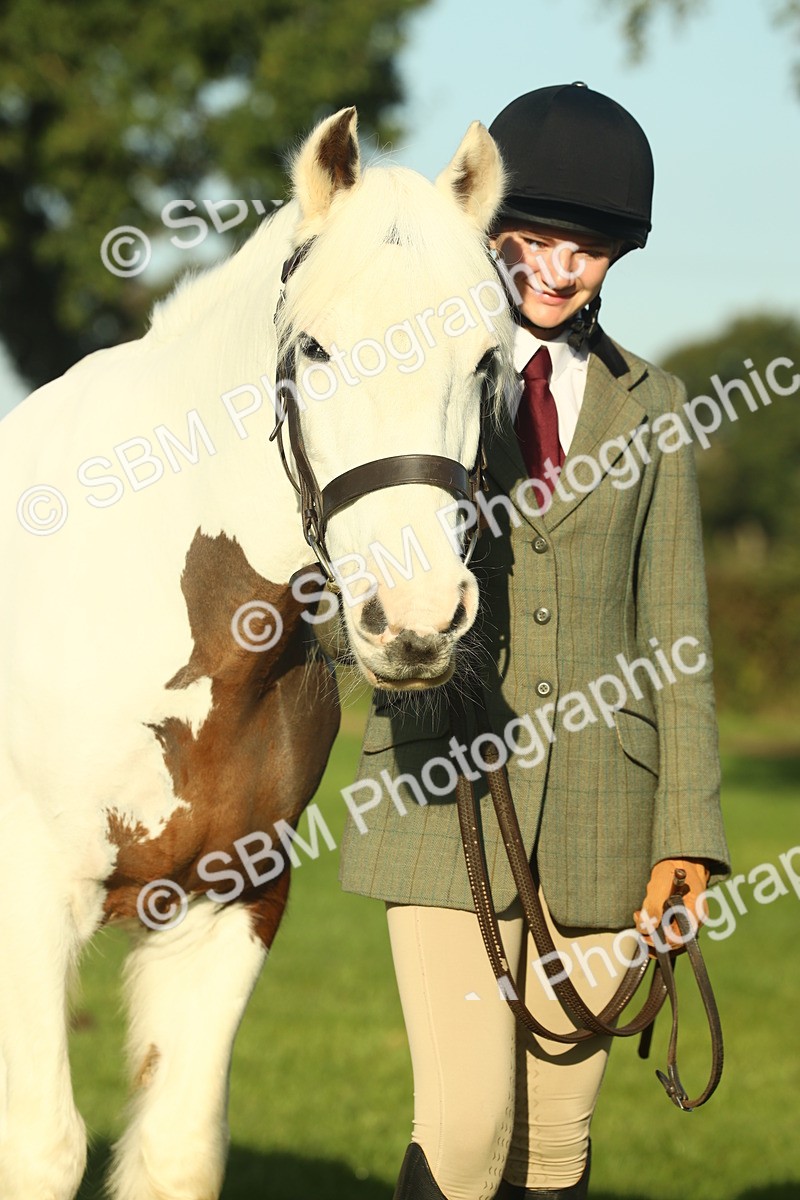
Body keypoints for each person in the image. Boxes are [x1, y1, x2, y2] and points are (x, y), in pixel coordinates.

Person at [338, 82, 730, 1200]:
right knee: (463, 1136)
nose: (559, 267)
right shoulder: (413, 377)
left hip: (612, 815)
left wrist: (689, 833)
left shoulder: (652, 405)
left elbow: (679, 632)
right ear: (487, 232)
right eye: (534, 238)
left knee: (554, 1148)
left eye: (590, 247)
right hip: (442, 794)